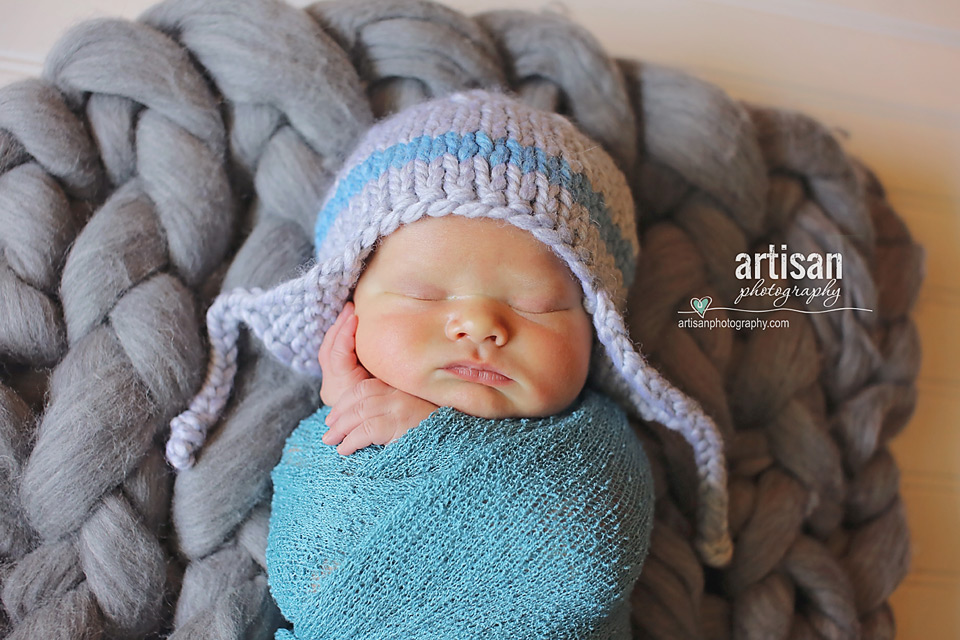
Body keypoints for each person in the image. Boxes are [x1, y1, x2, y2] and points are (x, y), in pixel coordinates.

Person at [166, 89, 732, 638]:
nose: (481, 326)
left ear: (599, 334)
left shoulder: (598, 445)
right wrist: (350, 423)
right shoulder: (323, 441)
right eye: (424, 294)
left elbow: (584, 562)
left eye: (538, 304)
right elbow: (311, 587)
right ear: (346, 309)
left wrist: (434, 439)